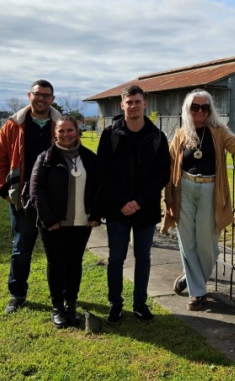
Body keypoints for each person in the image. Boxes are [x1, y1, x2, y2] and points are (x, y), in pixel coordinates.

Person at [162, 89, 235, 311]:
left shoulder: (219, 131)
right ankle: (198, 292)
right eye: (195, 107)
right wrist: (168, 199)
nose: (200, 111)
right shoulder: (182, 134)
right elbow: (170, 165)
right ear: (188, 109)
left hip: (210, 190)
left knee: (207, 244)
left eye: (204, 107)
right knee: (186, 241)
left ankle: (192, 278)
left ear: (210, 110)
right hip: (184, 189)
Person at [96, 85, 171, 324]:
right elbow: (103, 172)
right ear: (122, 105)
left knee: (143, 257)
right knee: (116, 258)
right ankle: (115, 305)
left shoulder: (158, 136)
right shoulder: (110, 134)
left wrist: (138, 201)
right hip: (117, 209)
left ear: (145, 103)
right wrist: (121, 202)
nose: (133, 106)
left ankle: (140, 304)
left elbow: (162, 175)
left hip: (145, 209)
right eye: (129, 102)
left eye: (137, 101)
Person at [0, 79, 61, 314]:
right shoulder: (13, 126)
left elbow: (74, 155)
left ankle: (60, 297)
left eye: (46, 95)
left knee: (57, 252)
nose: (41, 98)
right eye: (37, 94)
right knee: (21, 249)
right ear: (29, 95)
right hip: (22, 200)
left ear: (52, 99)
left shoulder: (60, 124)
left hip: (54, 200)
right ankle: (17, 294)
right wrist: (3, 190)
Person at [30, 117, 100, 328]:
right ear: (55, 133)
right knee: (56, 263)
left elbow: (99, 187)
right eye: (61, 131)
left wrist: (95, 214)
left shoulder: (89, 158)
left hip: (81, 223)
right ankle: (57, 307)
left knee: (74, 263)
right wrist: (49, 219)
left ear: (77, 132)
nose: (66, 134)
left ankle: (71, 305)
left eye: (70, 130)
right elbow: (36, 191)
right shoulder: (45, 158)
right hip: (54, 224)